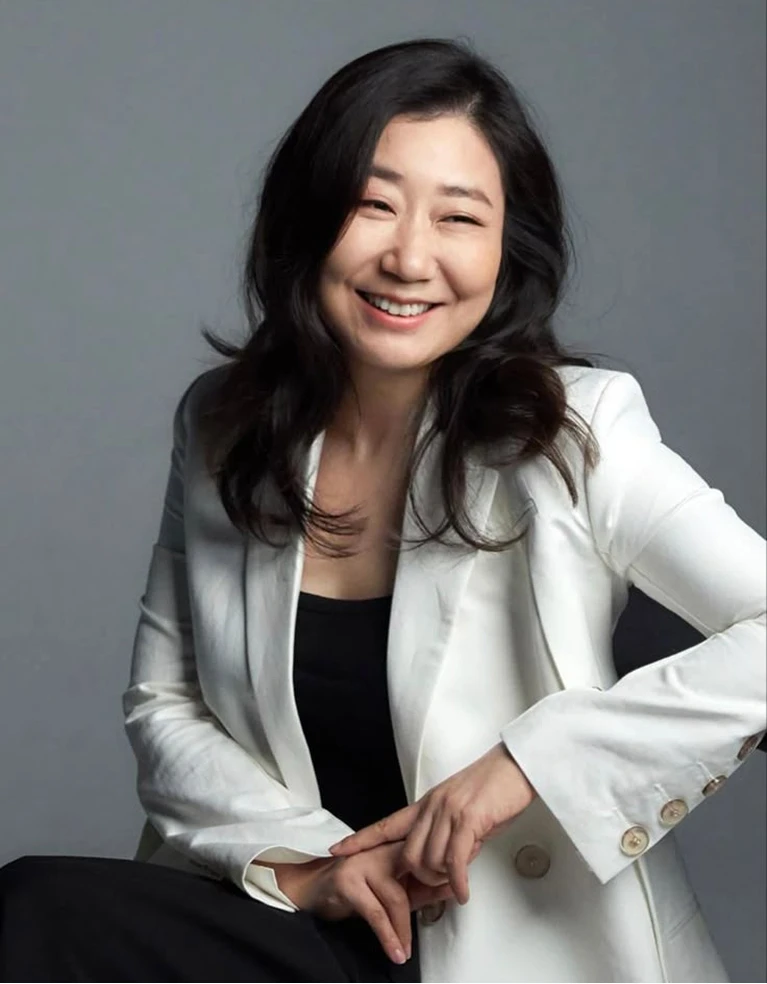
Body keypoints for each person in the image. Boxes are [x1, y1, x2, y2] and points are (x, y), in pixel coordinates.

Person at [0, 35, 764, 984]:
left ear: (506, 251)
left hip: (511, 946)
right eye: (373, 205)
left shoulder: (574, 429)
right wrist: (309, 863)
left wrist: (527, 766)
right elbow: (168, 702)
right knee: (35, 909)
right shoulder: (224, 426)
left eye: (459, 218)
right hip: (311, 922)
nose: (409, 257)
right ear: (308, 217)